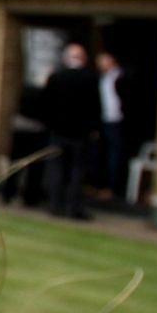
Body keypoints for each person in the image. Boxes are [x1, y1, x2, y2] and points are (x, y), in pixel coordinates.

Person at [40, 43, 100, 220]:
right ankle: (75, 208)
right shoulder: (90, 78)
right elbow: (95, 106)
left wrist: (49, 124)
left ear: (66, 59)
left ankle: (55, 205)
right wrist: (94, 128)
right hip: (80, 134)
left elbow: (46, 103)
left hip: (58, 131)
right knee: (77, 171)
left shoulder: (56, 77)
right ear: (83, 59)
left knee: (57, 168)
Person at [97, 50, 132, 199]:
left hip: (117, 121)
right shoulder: (102, 78)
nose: (101, 65)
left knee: (116, 154)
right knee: (103, 153)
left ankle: (114, 188)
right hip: (105, 120)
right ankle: (101, 185)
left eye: (104, 61)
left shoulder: (122, 76)